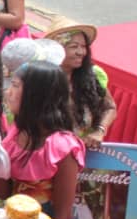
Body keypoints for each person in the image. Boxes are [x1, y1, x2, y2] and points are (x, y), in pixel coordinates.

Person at [0, 61, 84, 219]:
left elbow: (63, 214)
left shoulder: (62, 147)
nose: (8, 92)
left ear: (36, 95)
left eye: (15, 85)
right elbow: (6, 193)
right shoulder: (14, 136)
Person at [41, 18, 117, 149]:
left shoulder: (93, 75)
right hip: (48, 152)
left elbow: (110, 108)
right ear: (57, 50)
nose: (81, 52)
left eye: (83, 46)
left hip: (86, 151)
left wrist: (99, 131)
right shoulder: (40, 78)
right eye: (74, 46)